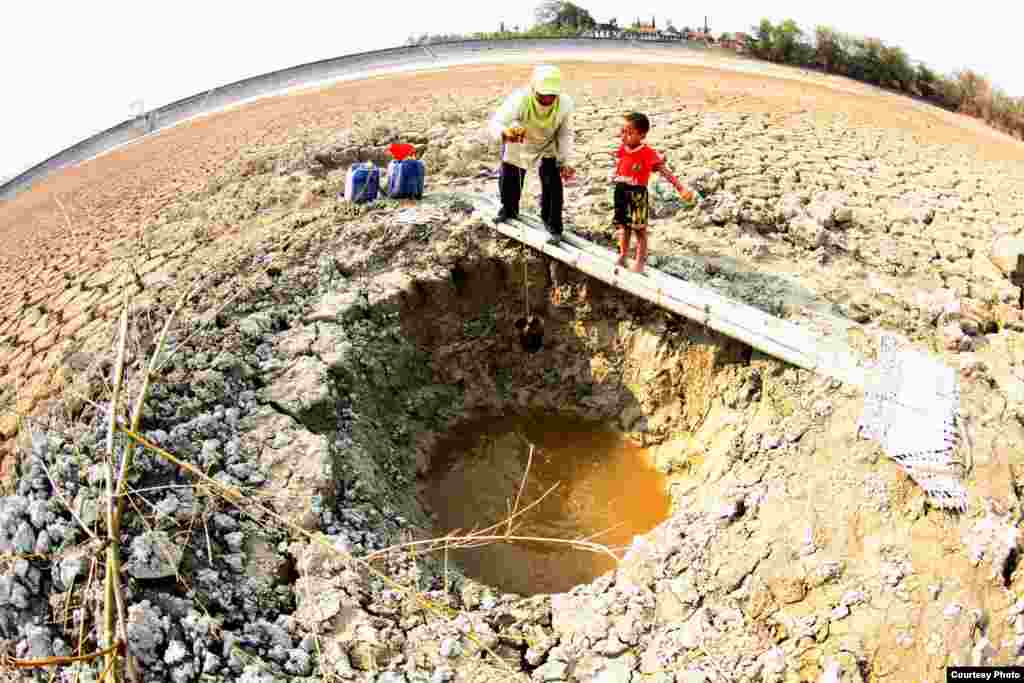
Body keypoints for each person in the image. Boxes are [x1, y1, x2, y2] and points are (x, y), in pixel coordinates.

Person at [488, 65, 576, 245]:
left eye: (552, 95)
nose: (547, 99)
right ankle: (509, 209)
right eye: (543, 94)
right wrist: (505, 133)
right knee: (511, 174)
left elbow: (565, 134)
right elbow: (496, 122)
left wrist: (566, 161)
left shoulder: (565, 104)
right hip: (520, 139)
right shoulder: (520, 99)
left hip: (548, 143)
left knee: (552, 182)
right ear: (534, 88)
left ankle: (553, 224)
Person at [611, 112, 697, 274]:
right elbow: (622, 166)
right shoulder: (622, 149)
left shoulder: (647, 153)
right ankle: (622, 256)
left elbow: (664, 171)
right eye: (622, 131)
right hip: (621, 191)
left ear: (642, 135)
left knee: (639, 230)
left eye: (629, 133)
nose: (624, 136)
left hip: (637, 194)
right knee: (624, 226)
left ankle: (639, 264)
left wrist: (680, 188)